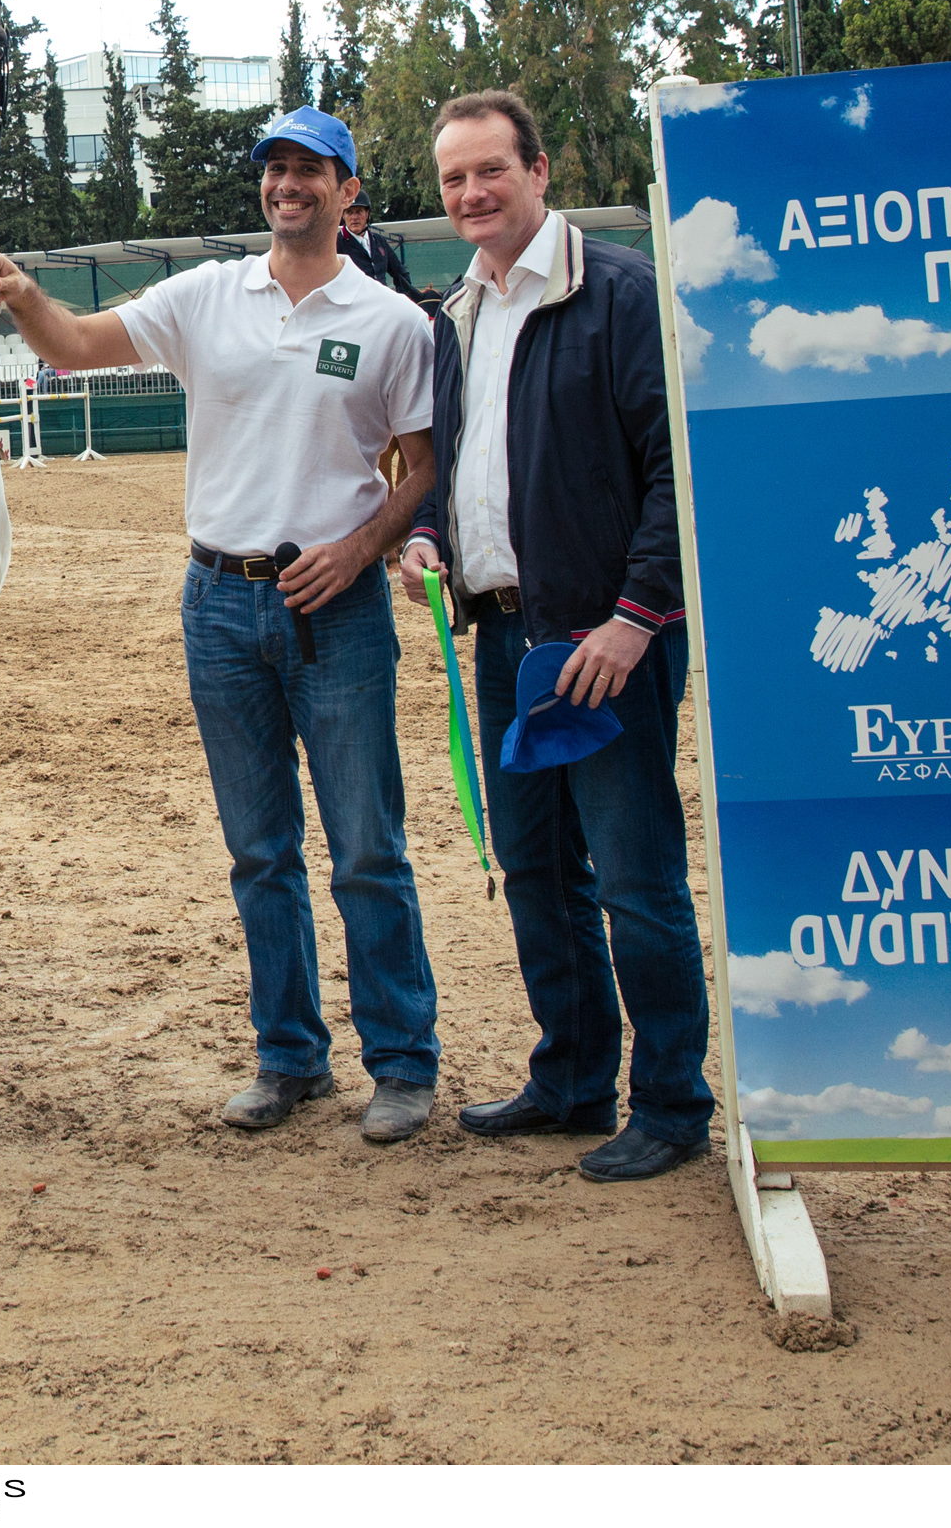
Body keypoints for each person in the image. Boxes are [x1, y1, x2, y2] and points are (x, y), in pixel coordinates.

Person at [0, 106, 444, 1143]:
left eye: (308, 170)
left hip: (339, 607)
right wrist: (20, 296)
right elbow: (77, 343)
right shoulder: (203, 296)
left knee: (366, 844)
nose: (287, 185)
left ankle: (403, 1062)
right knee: (258, 849)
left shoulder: (391, 323)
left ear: (345, 190)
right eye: (274, 168)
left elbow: (424, 468)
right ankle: (289, 1057)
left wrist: (360, 548)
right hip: (218, 602)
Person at [398, 89, 710, 1183]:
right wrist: (426, 533)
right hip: (501, 639)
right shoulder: (457, 312)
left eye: (490, 170)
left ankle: (671, 1100)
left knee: (632, 873)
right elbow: (454, 459)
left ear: (539, 169)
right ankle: (574, 1076)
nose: (471, 193)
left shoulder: (620, 294)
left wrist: (635, 619)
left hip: (601, 645)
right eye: (452, 179)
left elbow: (679, 469)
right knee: (533, 864)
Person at [337, 199, 416, 299]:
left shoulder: (379, 240)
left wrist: (403, 298)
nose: (354, 217)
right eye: (349, 212)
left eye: (359, 212)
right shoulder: (336, 244)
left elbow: (400, 273)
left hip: (383, 303)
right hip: (355, 307)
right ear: (343, 215)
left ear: (367, 214)